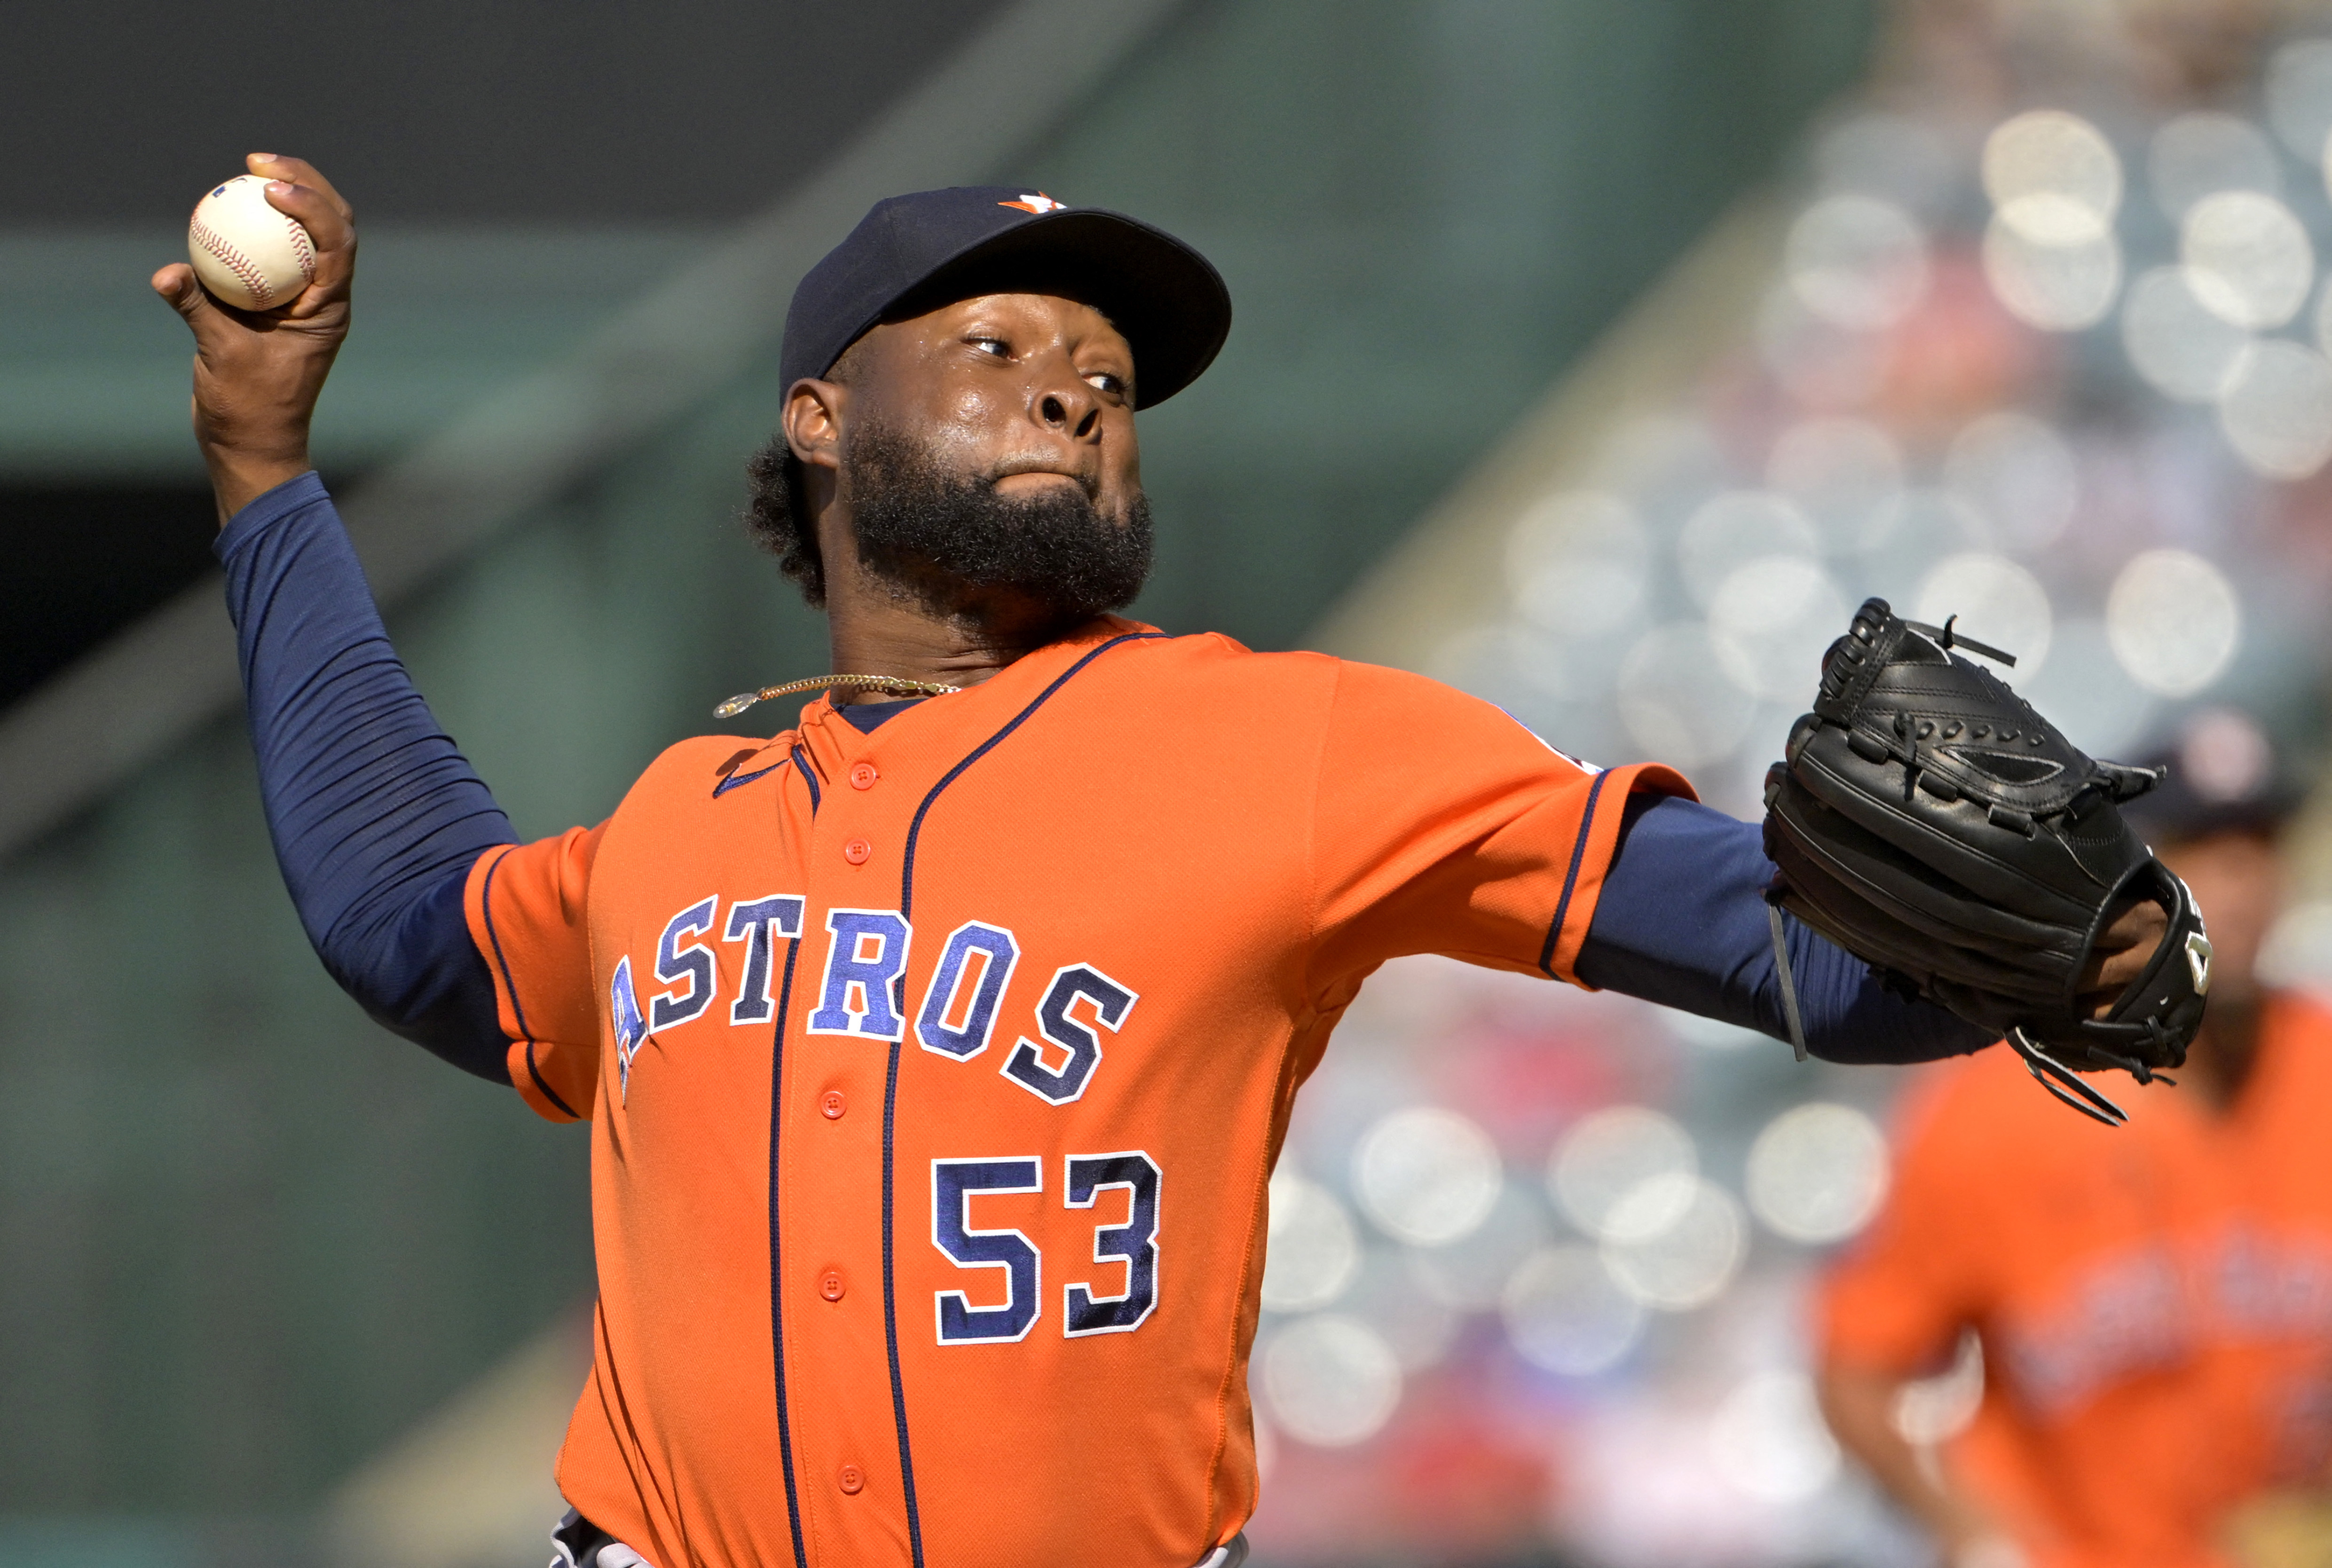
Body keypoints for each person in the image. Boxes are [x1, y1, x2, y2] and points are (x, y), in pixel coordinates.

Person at [153, 156, 2165, 1568]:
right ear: (820, 415)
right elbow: (406, 914)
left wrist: (2070, 951)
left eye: (1109, 385)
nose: (1074, 389)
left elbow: (1797, 955)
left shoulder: (1290, 746)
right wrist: (265, 474)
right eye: (1002, 344)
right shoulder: (686, 817)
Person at [1817, 708, 2331, 1568]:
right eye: (2200, 852)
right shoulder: (1997, 1112)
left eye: (2258, 846)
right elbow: (1858, 1370)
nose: (2237, 886)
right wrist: (1974, 1536)